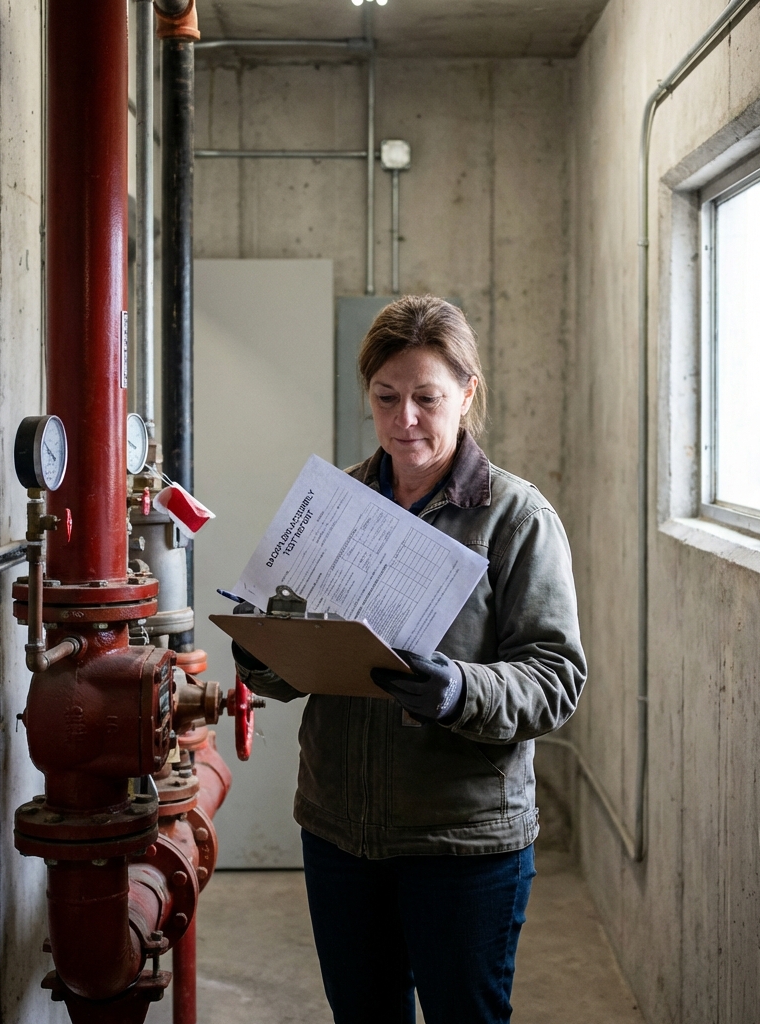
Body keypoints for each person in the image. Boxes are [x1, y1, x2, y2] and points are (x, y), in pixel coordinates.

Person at [232, 295, 586, 1024]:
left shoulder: (516, 518)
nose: (405, 421)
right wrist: (261, 649)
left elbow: (555, 677)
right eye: (386, 398)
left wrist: (459, 688)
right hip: (339, 831)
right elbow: (291, 665)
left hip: (463, 841)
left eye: (427, 398)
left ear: (467, 392)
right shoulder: (334, 506)